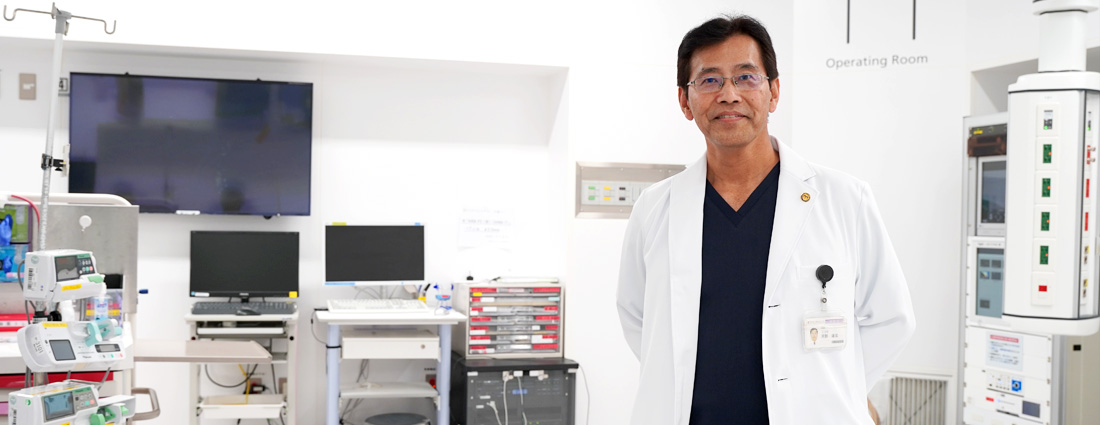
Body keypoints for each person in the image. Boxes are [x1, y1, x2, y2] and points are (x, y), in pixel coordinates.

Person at [615, 14, 915, 425]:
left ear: (773, 92)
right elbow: (637, 317)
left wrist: (834, 394)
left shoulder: (845, 199)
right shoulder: (655, 208)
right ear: (685, 101)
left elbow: (891, 318)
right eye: (709, 80)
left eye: (746, 77)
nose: (729, 94)